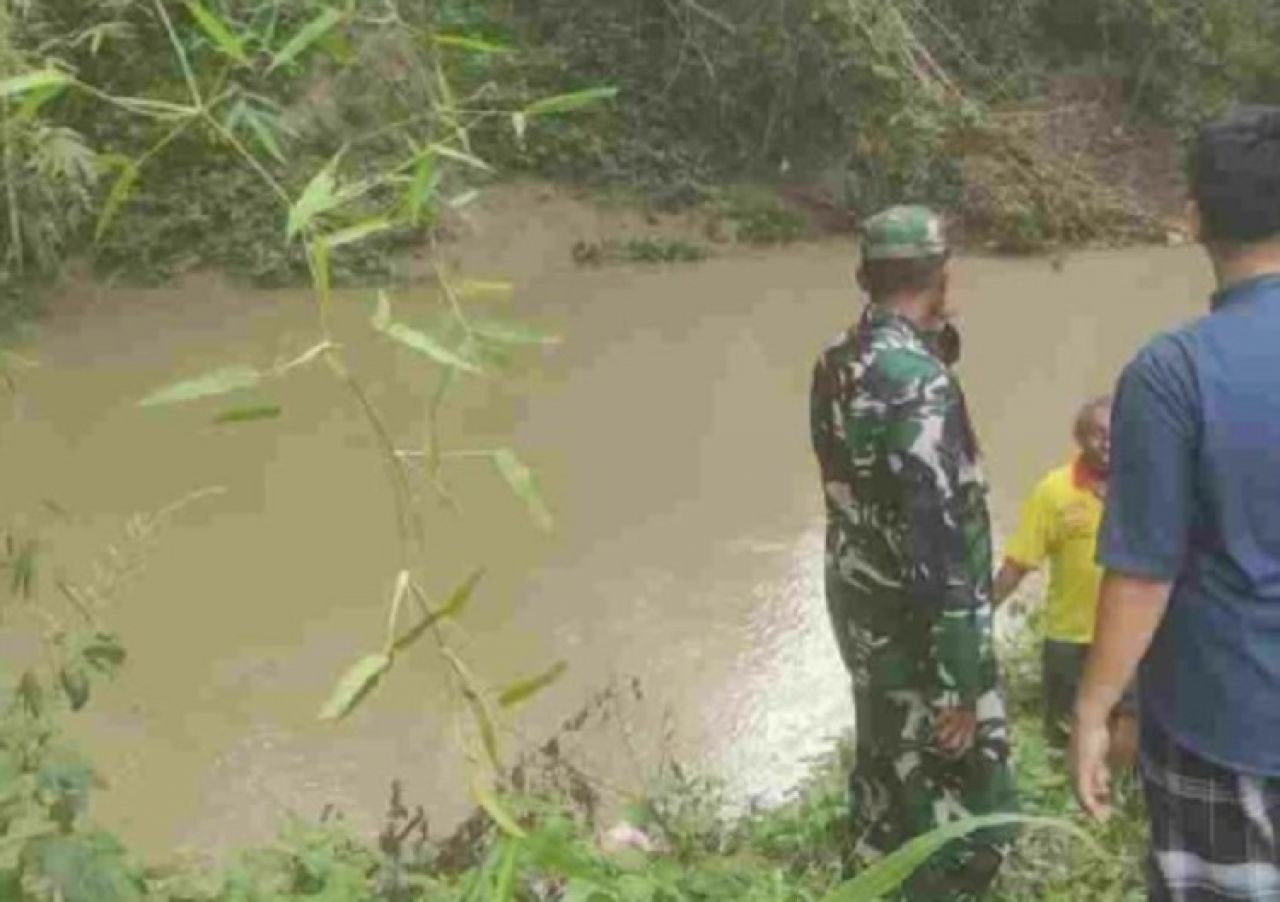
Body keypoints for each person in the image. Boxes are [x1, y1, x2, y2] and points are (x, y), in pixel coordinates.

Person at [1071, 105, 1280, 899]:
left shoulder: (1171, 373)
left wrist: (1094, 711)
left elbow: (1142, 573)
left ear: (1193, 218)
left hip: (1221, 728)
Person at [810, 205, 1018, 899]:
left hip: (864, 611)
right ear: (941, 275)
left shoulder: (837, 359)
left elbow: (849, 490)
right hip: (922, 629)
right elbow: (938, 539)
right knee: (960, 800)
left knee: (886, 768)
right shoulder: (919, 383)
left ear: (865, 276)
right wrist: (960, 679)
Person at [993, 396, 1137, 765]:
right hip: (1069, 638)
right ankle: (1069, 811)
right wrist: (980, 611)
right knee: (1065, 735)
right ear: (1079, 439)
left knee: (1131, 729)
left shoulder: (1147, 487)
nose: (1108, 443)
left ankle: (1115, 809)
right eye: (1096, 434)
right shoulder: (1053, 491)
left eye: (1116, 433)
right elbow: (1019, 561)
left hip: (1131, 635)